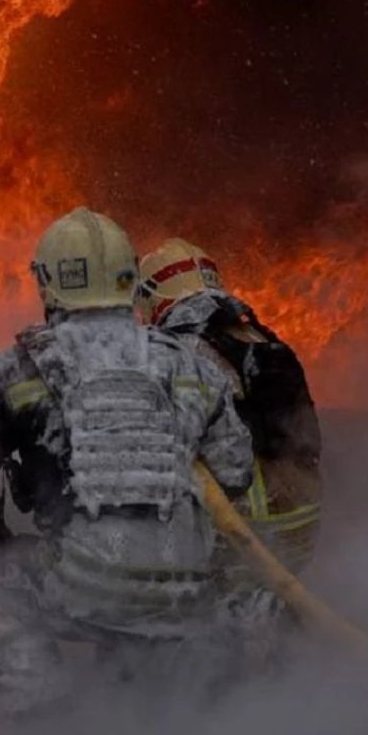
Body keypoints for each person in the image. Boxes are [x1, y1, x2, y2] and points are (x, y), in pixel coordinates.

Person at [0, 208, 264, 718]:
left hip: (83, 585)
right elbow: (236, 473)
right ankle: (189, 706)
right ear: (129, 278)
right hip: (187, 586)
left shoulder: (16, 368)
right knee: (193, 591)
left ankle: (40, 708)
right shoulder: (188, 362)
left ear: (46, 283)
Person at [135, 238, 323, 575]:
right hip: (302, 523)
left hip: (241, 533)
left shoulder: (181, 348)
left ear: (154, 296)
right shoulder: (261, 338)